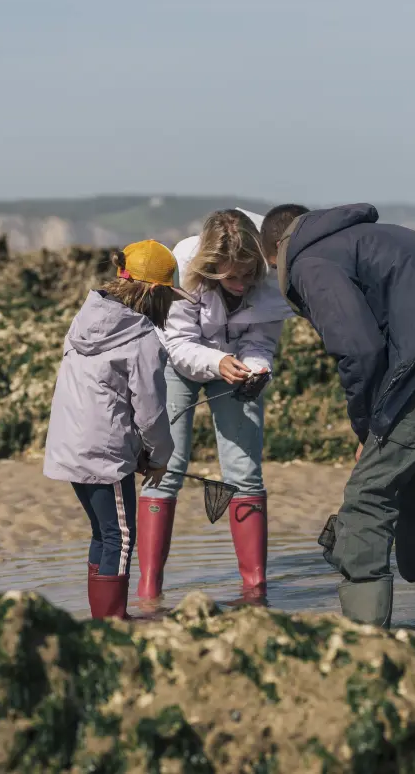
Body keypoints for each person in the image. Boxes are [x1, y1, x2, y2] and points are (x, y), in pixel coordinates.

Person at [260, 203, 415, 628]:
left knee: (368, 497)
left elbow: (358, 349)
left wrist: (368, 431)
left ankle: (368, 647)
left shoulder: (310, 260)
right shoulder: (367, 237)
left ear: (276, 250)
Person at [136, 208, 294, 601]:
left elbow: (262, 340)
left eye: (246, 274)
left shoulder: (271, 280)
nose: (240, 283)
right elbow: (178, 343)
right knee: (165, 468)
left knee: (245, 473)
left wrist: (257, 368)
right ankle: (149, 588)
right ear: (209, 267)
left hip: (238, 368)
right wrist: (216, 362)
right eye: (229, 276)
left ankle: (255, 590)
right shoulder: (184, 269)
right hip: (179, 362)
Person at [44, 240, 186, 619]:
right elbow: (151, 413)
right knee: (121, 539)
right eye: (170, 295)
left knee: (102, 533)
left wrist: (135, 450)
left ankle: (99, 623)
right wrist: (159, 458)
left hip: (69, 445)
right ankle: (113, 627)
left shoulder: (86, 317)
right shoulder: (141, 338)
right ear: (155, 292)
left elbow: (101, 395)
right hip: (103, 456)